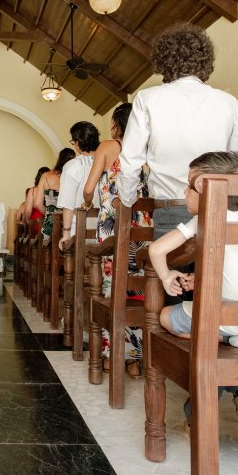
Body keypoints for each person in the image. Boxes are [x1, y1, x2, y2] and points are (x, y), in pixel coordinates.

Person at [147, 151, 238, 449]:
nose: (184, 192)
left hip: (231, 320)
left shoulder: (203, 220)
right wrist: (200, 279)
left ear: (202, 188)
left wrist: (167, 276)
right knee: (209, 322)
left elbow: (155, 250)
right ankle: (236, 379)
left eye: (187, 185)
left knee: (166, 317)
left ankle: (226, 353)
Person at [119, 23, 238, 239]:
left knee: (168, 261)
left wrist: (127, 200)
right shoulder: (228, 102)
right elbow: (236, 161)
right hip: (216, 207)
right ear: (204, 60)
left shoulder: (148, 99)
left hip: (170, 207)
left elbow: (131, 159)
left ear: (164, 60)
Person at [82, 103, 153, 376]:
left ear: (116, 125)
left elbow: (89, 188)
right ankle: (134, 361)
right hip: (142, 223)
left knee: (113, 287)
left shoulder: (109, 146)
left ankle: (112, 356)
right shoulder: (146, 150)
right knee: (138, 289)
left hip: (114, 224)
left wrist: (88, 201)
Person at [58, 121, 101, 246]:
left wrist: (66, 233)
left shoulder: (73, 166)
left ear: (77, 143)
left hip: (79, 231)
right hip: (104, 230)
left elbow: (68, 203)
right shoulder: (106, 163)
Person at [34, 149, 76, 239]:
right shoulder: (74, 175)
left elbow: (37, 203)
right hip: (70, 224)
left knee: (47, 244)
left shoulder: (45, 176)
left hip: (50, 224)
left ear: (59, 158)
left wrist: (49, 214)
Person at [23, 166, 50, 233]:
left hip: (36, 223)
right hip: (49, 224)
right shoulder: (51, 191)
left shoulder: (33, 190)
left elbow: (28, 211)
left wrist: (27, 220)